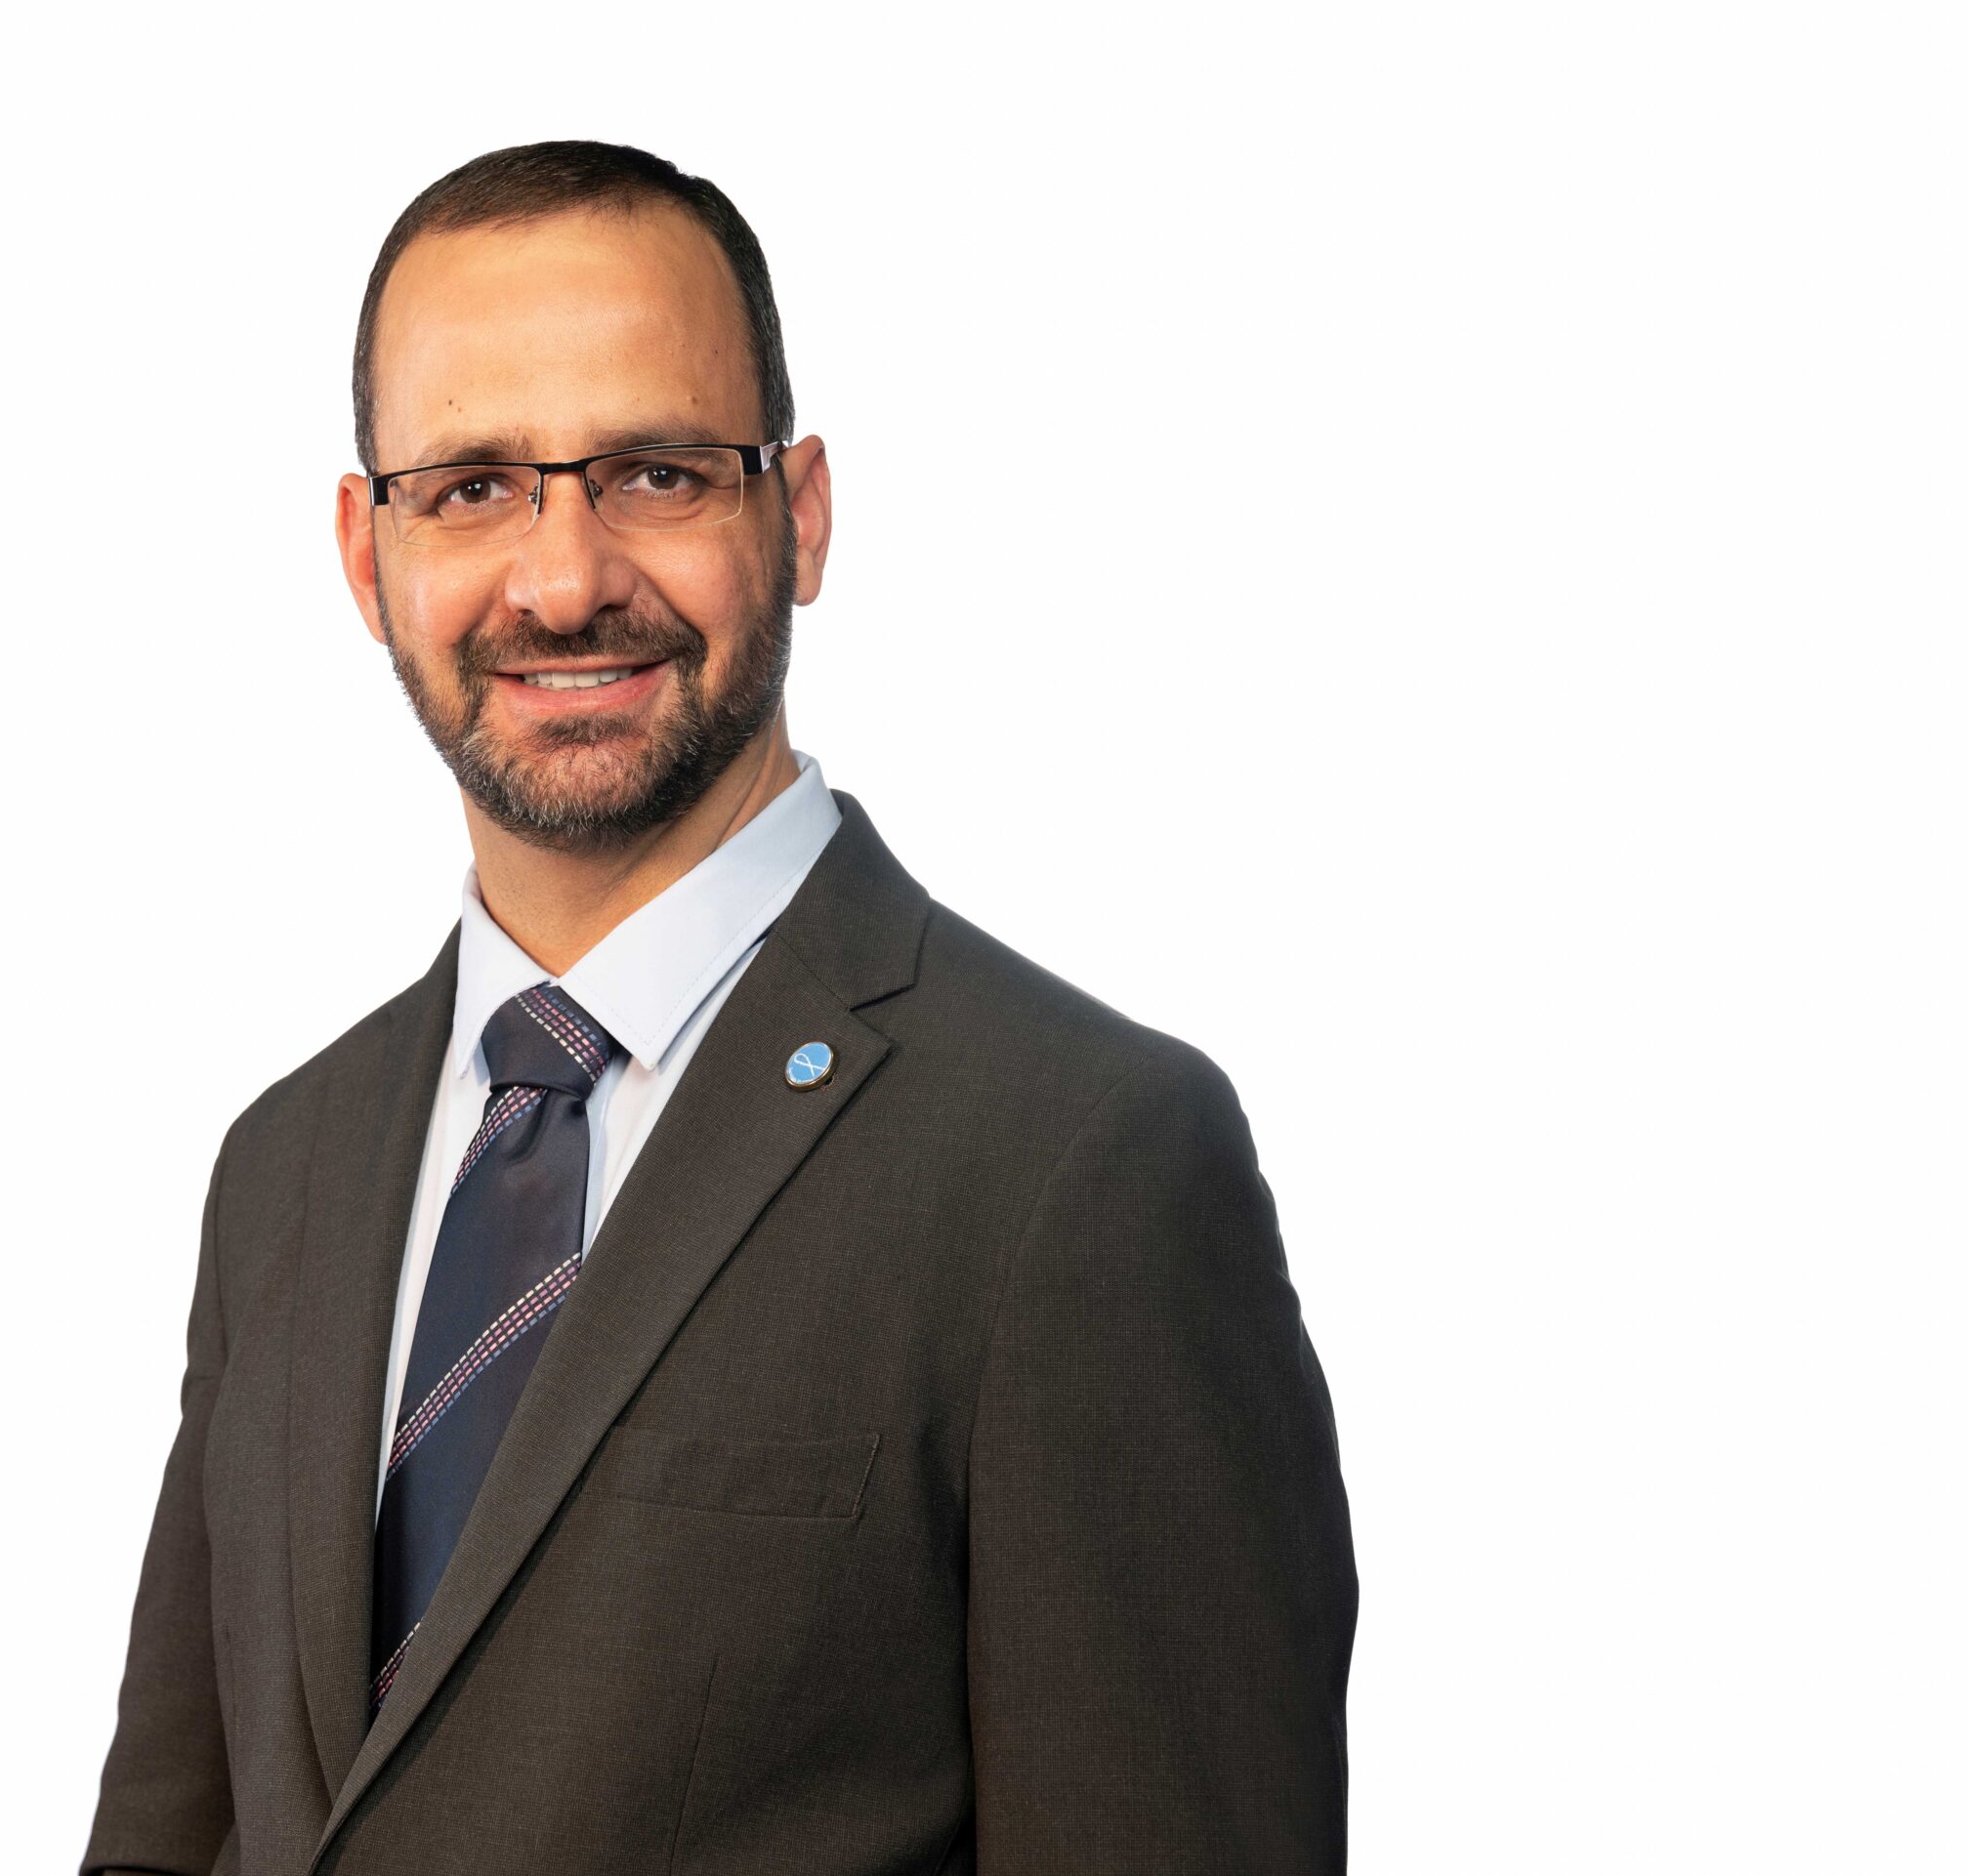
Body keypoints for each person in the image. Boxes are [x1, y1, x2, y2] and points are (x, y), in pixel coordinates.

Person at [81, 139, 1356, 1876]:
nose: (562, 581)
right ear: (367, 556)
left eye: (658, 473)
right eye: (471, 487)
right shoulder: (282, 1169)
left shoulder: (1083, 1163)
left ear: (800, 513)